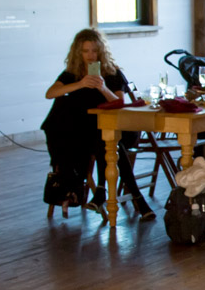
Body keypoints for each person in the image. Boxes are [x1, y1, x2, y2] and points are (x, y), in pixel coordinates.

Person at [41, 29, 154, 219]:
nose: (90, 56)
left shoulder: (112, 72)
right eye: (86, 51)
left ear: (101, 51)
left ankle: (103, 192)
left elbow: (121, 103)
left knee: (107, 140)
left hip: (117, 128)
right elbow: (50, 93)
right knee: (105, 142)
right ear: (79, 53)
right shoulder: (73, 74)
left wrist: (102, 87)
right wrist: (81, 84)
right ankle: (135, 197)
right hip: (84, 133)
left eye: (94, 51)